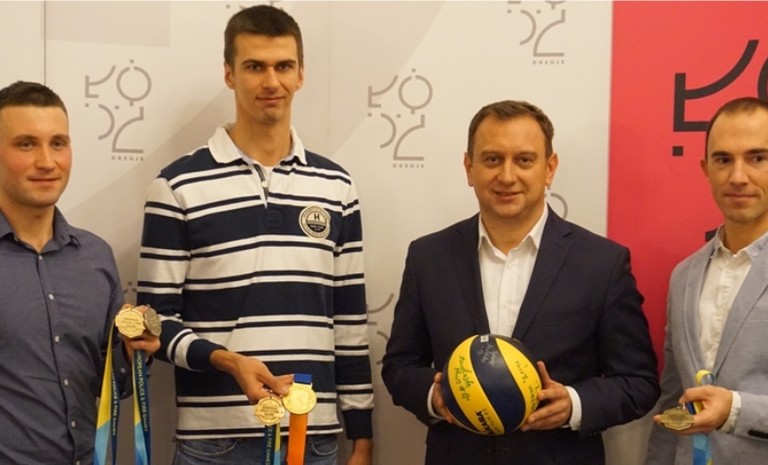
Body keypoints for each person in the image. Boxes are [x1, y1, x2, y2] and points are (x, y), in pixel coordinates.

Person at [136, 5, 374, 465]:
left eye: (283, 66)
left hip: (314, 438)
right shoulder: (176, 186)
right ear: (229, 74)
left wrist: (361, 437)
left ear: (301, 74)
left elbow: (348, 323)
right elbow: (155, 324)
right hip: (214, 443)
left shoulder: (337, 186)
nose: (271, 82)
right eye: (254, 67)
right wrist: (228, 361)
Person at [382, 99, 660, 465]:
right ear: (469, 167)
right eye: (492, 159)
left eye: (524, 160)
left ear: (550, 168)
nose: (507, 176)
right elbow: (400, 365)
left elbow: (639, 382)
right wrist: (436, 397)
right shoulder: (428, 257)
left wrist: (573, 404)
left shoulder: (601, 263)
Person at [0, 80, 160, 464]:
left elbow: (110, 384)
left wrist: (133, 353)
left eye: (58, 143)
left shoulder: (95, 257)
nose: (46, 161)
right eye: (26, 144)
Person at [645, 97, 768, 465]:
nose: (738, 177)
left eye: (757, 158)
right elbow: (672, 403)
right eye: (723, 159)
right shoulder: (685, 276)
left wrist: (735, 409)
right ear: (706, 168)